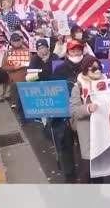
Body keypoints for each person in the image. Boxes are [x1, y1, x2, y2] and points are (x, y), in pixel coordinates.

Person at [48, 40, 87, 182]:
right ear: (68, 52)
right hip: (66, 114)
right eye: (73, 50)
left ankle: (86, 174)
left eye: (79, 50)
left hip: (84, 112)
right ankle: (70, 175)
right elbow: (55, 91)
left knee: (85, 144)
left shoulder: (88, 67)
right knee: (66, 144)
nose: (76, 53)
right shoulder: (60, 69)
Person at [70, 55, 106, 183]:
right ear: (85, 70)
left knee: (100, 167)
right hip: (86, 130)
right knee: (87, 166)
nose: (97, 71)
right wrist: (88, 108)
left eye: (99, 68)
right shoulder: (78, 87)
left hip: (103, 129)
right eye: (93, 68)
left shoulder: (107, 84)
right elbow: (74, 111)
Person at [1, 33, 28, 110]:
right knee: (17, 101)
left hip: (26, 80)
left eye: (18, 40)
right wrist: (14, 67)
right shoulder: (7, 53)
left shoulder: (27, 51)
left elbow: (32, 64)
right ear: (11, 42)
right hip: (14, 81)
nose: (17, 42)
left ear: (21, 40)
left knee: (25, 101)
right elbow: (4, 67)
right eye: (15, 41)